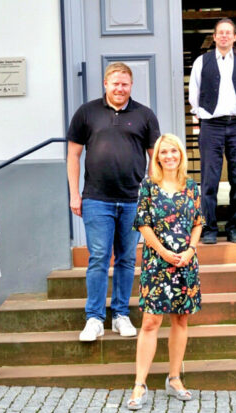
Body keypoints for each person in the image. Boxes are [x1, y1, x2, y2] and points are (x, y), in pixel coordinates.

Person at [67, 62, 161, 342]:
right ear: (106, 84)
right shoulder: (87, 113)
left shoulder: (144, 114)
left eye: (125, 84)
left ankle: (120, 315)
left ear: (131, 86)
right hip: (97, 199)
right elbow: (73, 156)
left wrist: (151, 197)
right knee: (98, 257)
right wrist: (74, 193)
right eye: (115, 83)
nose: (120, 88)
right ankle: (94, 318)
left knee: (127, 259)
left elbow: (154, 159)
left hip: (133, 200)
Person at [126, 134, 203, 410]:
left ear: (181, 155)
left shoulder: (191, 186)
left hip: (185, 262)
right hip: (157, 263)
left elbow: (198, 222)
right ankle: (139, 383)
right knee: (150, 322)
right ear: (156, 157)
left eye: (174, 151)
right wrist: (163, 252)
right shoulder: (148, 186)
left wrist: (191, 251)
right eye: (163, 152)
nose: (169, 156)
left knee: (180, 320)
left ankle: (174, 378)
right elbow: (143, 224)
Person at [188, 18, 236, 244]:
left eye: (229, 32)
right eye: (221, 33)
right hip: (211, 125)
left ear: (235, 37)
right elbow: (194, 91)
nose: (225, 36)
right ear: (215, 37)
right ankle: (209, 228)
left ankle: (234, 227)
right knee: (209, 180)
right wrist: (200, 113)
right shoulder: (202, 61)